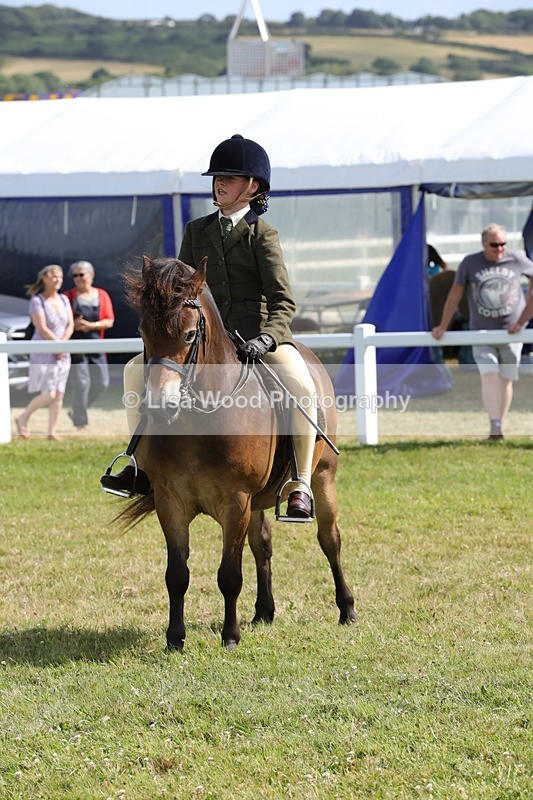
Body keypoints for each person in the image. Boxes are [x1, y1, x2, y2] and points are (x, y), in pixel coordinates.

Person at [101, 133, 317, 519]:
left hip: (256, 339)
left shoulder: (262, 236)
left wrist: (267, 337)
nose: (219, 184)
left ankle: (299, 482)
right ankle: (138, 466)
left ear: (252, 187)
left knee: (300, 382)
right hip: (201, 341)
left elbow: (283, 300)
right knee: (136, 371)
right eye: (217, 177)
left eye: (229, 178)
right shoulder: (196, 231)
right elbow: (179, 289)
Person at [432, 223, 533, 440]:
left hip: (512, 332)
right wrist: (443, 325)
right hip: (481, 331)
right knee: (489, 375)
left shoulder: (517, 259)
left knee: (506, 379)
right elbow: (455, 294)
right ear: (483, 244)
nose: (500, 249)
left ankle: (499, 424)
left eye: (503, 244)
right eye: (494, 245)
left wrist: (523, 319)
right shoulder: (470, 262)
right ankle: (493, 424)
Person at [15, 264, 74, 441]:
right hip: (44, 351)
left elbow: (70, 325)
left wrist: (63, 345)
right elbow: (41, 328)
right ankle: (23, 417)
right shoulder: (37, 301)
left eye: (60, 277)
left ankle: (52, 432)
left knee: (59, 394)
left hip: (63, 351)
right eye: (54, 276)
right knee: (49, 393)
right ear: (45, 278)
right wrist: (57, 346)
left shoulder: (64, 299)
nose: (58, 280)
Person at [64, 260, 114, 429]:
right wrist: (73, 325)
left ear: (91, 275)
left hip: (96, 344)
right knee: (81, 383)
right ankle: (80, 422)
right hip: (76, 345)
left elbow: (109, 321)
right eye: (75, 275)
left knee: (102, 382)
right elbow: (63, 320)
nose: (78, 278)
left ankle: (77, 409)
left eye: (81, 274)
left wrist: (91, 326)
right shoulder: (67, 296)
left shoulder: (102, 295)